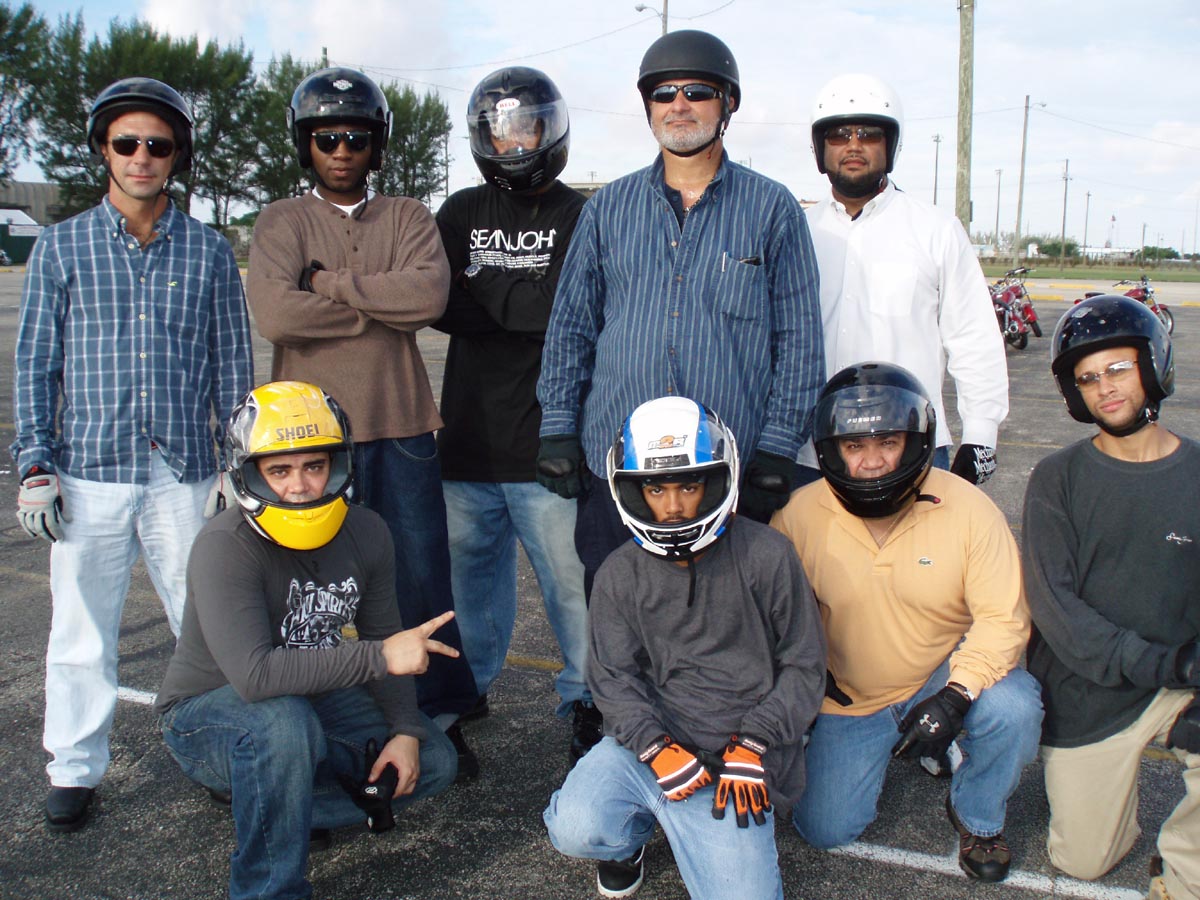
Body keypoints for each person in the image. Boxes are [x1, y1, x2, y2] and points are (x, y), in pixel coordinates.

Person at [11, 76, 253, 833]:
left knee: (206, 626)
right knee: (80, 632)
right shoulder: (61, 246)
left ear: (176, 155)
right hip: (88, 473)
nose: (141, 156)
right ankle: (74, 768)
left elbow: (233, 367)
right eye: (126, 143)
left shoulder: (209, 252)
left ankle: (218, 754)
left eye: (157, 144)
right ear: (103, 151)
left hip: (184, 475)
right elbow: (35, 364)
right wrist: (34, 463)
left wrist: (235, 464)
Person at [535, 29, 824, 599]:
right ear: (648, 107)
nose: (679, 105)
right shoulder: (607, 209)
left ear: (729, 102)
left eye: (698, 91)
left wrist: (778, 446)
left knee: (729, 620)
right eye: (664, 94)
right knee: (620, 614)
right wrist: (558, 426)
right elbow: (571, 327)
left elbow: (799, 342)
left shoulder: (773, 209)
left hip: (727, 470)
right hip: (619, 469)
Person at [245, 67, 479, 768]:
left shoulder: (407, 216)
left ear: (376, 144)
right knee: (306, 587)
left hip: (402, 428)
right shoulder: (281, 221)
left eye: (355, 137)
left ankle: (438, 713)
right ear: (306, 145)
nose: (341, 150)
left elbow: (427, 299)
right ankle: (313, 718)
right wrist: (378, 306)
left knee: (419, 578)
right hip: (307, 441)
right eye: (326, 138)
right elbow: (275, 313)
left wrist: (326, 284)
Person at [155, 381, 458, 900]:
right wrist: (380, 656)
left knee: (433, 762)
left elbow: (382, 632)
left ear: (337, 466)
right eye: (279, 471)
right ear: (249, 473)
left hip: (312, 694)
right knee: (282, 723)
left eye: (314, 466)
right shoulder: (224, 545)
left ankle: (272, 799)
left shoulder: (367, 530)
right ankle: (268, 887)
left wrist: (405, 730)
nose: (300, 486)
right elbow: (256, 677)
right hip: (210, 711)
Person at [544, 396, 825, 899]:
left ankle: (706, 827)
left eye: (689, 486)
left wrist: (756, 742)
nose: (673, 507)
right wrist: (653, 746)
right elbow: (611, 677)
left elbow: (805, 666)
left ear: (716, 482)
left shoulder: (768, 554)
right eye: (656, 489)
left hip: (737, 754)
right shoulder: (619, 572)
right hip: (650, 745)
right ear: (632, 490)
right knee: (575, 826)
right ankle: (629, 839)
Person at [771, 362, 1042, 883]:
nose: (873, 461)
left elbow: (1003, 619)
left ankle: (978, 815)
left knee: (1014, 707)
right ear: (831, 449)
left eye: (888, 442)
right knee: (824, 829)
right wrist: (799, 671)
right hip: (849, 696)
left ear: (915, 442)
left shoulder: (971, 509)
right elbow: (770, 613)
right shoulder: (797, 515)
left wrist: (957, 696)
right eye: (854, 445)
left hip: (941, 675)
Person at [431, 66, 598, 761]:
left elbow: (568, 311)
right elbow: (439, 304)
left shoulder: (580, 216)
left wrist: (484, 285)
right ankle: (465, 689)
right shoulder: (459, 212)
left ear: (549, 130)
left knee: (572, 588)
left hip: (549, 443)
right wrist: (523, 297)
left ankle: (588, 700)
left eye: (527, 127)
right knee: (466, 587)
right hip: (467, 441)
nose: (515, 143)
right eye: (501, 132)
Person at [1023, 295, 1200, 900]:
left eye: (1118, 368)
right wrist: (1166, 664)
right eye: (1088, 378)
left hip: (1180, 679)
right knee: (1083, 861)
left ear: (1152, 367)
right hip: (1090, 692)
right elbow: (1057, 611)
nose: (1105, 388)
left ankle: (1183, 870)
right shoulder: (1057, 478)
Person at [800, 73, 1006, 486]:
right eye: (839, 135)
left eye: (869, 134)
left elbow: (973, 338)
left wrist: (981, 434)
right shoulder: (797, 232)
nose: (853, 145)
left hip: (912, 447)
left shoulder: (936, 230)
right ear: (820, 147)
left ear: (891, 145)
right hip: (812, 453)